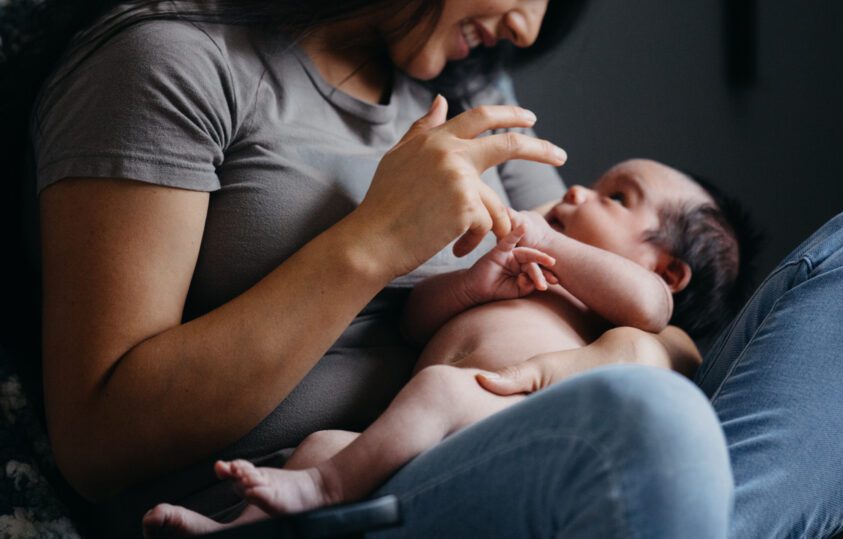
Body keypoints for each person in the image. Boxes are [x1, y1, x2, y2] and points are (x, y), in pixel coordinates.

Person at [12, 0, 843, 537]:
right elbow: (99, 437)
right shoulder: (174, 62)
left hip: (543, 464)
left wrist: (639, 348)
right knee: (651, 430)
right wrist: (372, 244)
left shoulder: (475, 103)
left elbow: (638, 331)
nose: (526, 24)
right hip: (299, 498)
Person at [141, 158, 757, 535]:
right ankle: (241, 529)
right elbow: (414, 325)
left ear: (670, 269)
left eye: (615, 197)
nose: (576, 193)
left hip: (504, 434)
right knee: (324, 445)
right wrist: (471, 285)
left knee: (437, 389)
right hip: (413, 453)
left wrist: (549, 239)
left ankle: (326, 490)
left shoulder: (619, 307)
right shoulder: (530, 276)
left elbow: (650, 306)